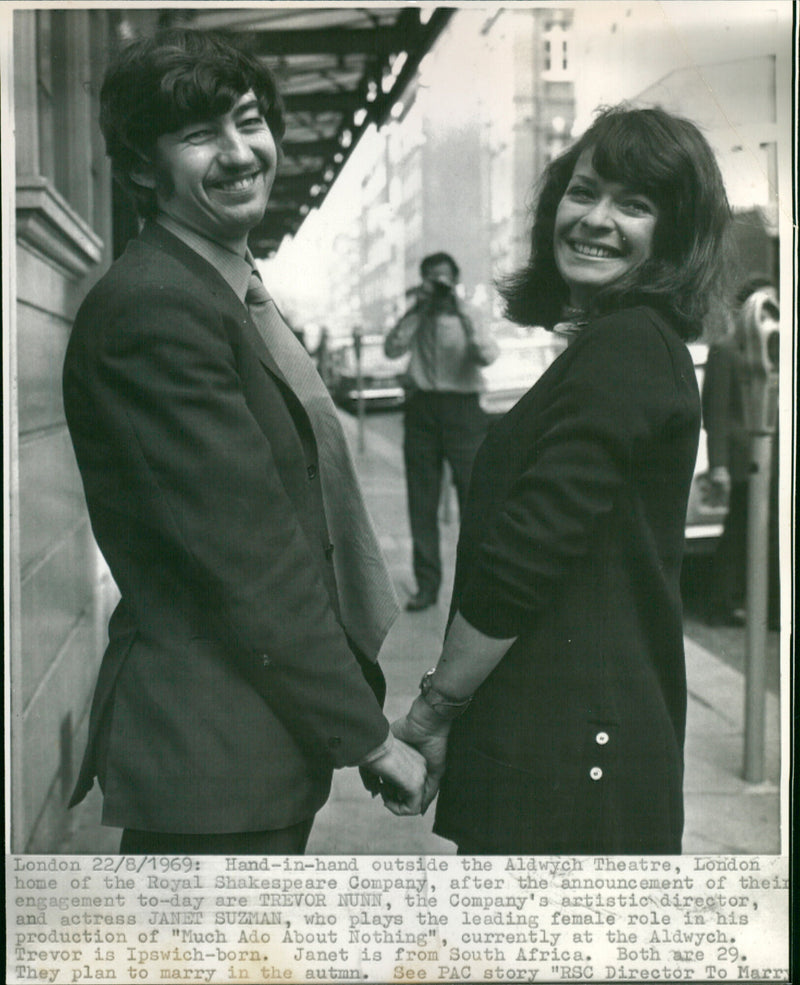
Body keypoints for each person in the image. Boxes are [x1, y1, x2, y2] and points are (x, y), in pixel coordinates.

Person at [62, 28, 426, 855]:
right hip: (212, 757)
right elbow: (250, 552)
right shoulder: (156, 309)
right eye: (199, 135)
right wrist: (369, 738)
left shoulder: (218, 288)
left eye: (249, 120)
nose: (238, 153)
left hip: (251, 744)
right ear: (143, 169)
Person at [392, 105, 731, 854]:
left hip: (570, 759)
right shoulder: (623, 343)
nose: (595, 219)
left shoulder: (628, 346)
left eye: (634, 204)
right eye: (583, 192)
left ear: (675, 233)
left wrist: (433, 710)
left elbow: (525, 554)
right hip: (572, 743)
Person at [384, 253, 499, 611]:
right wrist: (417, 310)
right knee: (421, 502)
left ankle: (477, 586)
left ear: (455, 279)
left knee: (474, 498)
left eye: (444, 278)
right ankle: (427, 586)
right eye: (431, 278)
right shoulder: (417, 316)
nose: (438, 284)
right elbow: (392, 349)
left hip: (464, 411)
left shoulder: (471, 314)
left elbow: (486, 356)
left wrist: (461, 312)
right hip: (422, 411)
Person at [701, 275, 780, 627]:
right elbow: (715, 413)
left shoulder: (774, 348)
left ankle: (766, 605)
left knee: (765, 530)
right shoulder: (726, 349)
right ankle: (726, 601)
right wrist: (718, 466)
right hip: (742, 460)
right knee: (741, 530)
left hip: (770, 458)